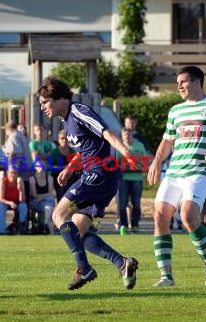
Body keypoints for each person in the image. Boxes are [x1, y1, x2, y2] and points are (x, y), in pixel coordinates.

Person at [37, 76, 138, 291]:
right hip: (102, 177)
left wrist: (126, 152)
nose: (43, 107)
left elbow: (106, 132)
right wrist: (69, 168)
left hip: (99, 173)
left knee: (58, 215)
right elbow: (86, 150)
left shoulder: (79, 111)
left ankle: (84, 269)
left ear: (58, 98)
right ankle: (122, 263)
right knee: (78, 231)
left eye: (45, 102)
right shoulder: (66, 121)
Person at [147, 65, 206, 287]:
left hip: (200, 171)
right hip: (175, 171)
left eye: (183, 82)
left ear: (197, 82)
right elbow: (168, 141)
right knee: (159, 214)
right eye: (177, 83)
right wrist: (156, 162)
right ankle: (166, 276)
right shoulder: (176, 111)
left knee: (188, 216)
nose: (179, 86)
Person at [116, 127, 148, 234]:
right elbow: (115, 164)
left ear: (131, 134)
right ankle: (123, 225)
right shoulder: (119, 147)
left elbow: (144, 163)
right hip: (123, 179)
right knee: (122, 203)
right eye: (124, 135)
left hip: (137, 178)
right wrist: (125, 167)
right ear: (122, 136)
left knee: (136, 203)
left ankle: (135, 225)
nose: (127, 137)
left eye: (128, 135)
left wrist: (138, 166)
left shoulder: (139, 146)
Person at [0, 165, 28, 235]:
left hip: (17, 202)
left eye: (15, 173)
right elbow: (0, 198)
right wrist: (10, 203)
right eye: (11, 173)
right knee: (1, 206)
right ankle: (1, 230)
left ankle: (21, 228)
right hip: (5, 201)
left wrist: (20, 190)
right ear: (7, 173)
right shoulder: (3, 181)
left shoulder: (19, 181)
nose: (13, 175)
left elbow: (22, 200)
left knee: (23, 206)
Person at [50, 130, 78, 202]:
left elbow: (78, 165)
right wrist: (63, 168)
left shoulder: (73, 151)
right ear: (58, 140)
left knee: (72, 197)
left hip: (71, 178)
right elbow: (50, 166)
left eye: (66, 138)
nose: (64, 140)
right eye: (62, 138)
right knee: (61, 196)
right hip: (58, 178)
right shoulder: (54, 152)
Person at [28, 162, 56, 235]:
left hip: (46, 202)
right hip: (36, 202)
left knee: (49, 203)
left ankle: (47, 222)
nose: (40, 167)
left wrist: (41, 198)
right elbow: (35, 195)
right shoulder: (32, 179)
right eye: (38, 166)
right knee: (50, 202)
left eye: (42, 166)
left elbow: (51, 193)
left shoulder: (49, 178)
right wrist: (44, 197)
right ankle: (48, 223)